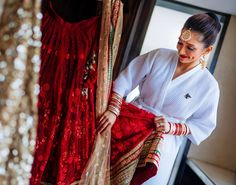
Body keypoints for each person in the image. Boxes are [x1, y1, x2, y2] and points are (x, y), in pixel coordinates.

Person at [98, 12, 221, 184]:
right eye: (180, 42)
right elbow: (125, 81)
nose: (181, 50)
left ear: (207, 50)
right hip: (129, 130)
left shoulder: (209, 86)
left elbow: (203, 126)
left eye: (190, 48)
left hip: (163, 144)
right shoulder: (158, 56)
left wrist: (171, 127)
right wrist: (113, 109)